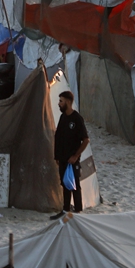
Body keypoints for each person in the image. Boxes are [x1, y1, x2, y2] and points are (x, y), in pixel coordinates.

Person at [50, 91, 89, 219]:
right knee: (65, 184)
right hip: (62, 159)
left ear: (67, 102)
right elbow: (59, 137)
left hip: (72, 160)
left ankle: (78, 212)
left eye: (61, 101)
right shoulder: (63, 118)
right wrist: (57, 156)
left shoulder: (76, 119)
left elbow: (86, 140)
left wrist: (75, 156)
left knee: (75, 185)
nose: (59, 104)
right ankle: (65, 210)